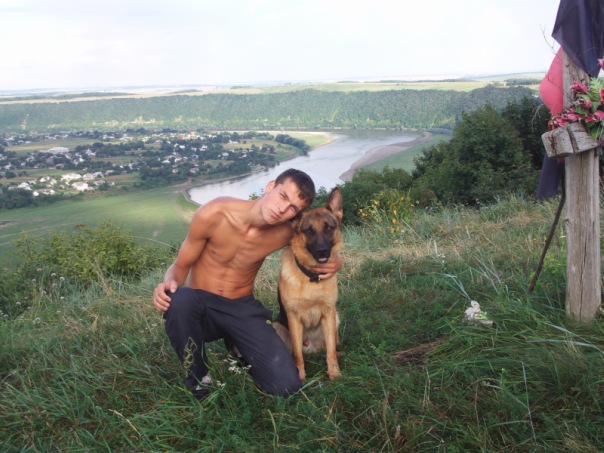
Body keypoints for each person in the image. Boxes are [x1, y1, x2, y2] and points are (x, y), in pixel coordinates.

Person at [153, 168, 342, 400]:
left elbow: (318, 243)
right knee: (179, 299)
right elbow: (180, 265)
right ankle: (198, 379)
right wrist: (168, 282)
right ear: (271, 186)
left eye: (293, 208)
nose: (282, 208)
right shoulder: (215, 213)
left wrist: (337, 261)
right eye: (283, 196)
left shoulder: (287, 231)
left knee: (286, 386)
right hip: (203, 307)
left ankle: (238, 346)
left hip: (241, 308)